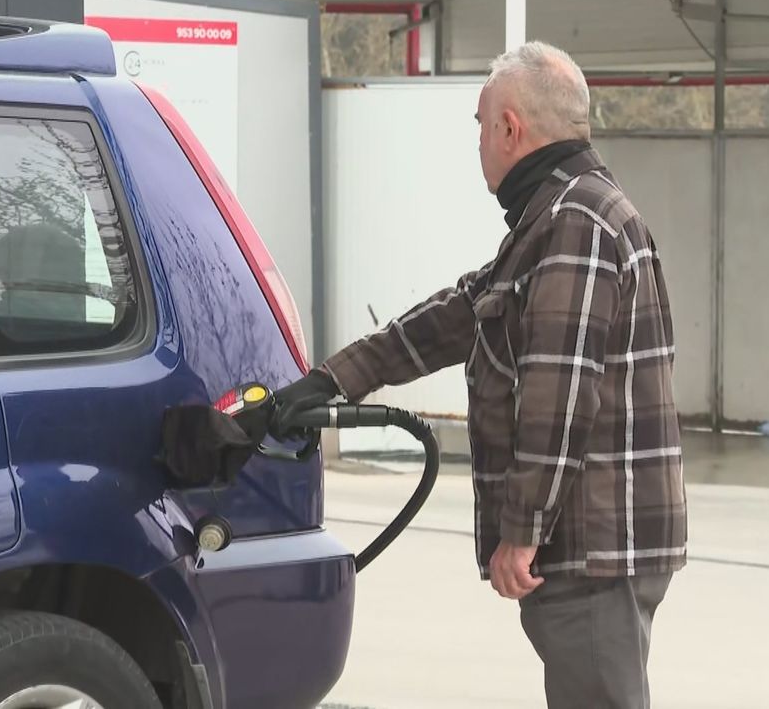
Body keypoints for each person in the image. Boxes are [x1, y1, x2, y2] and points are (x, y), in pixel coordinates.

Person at [275, 41, 687, 709]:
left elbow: (560, 390)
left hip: (594, 546)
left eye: (478, 124)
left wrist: (522, 527)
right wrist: (329, 381)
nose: (477, 142)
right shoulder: (552, 219)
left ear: (509, 128)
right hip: (594, 543)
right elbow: (456, 315)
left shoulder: (576, 222)